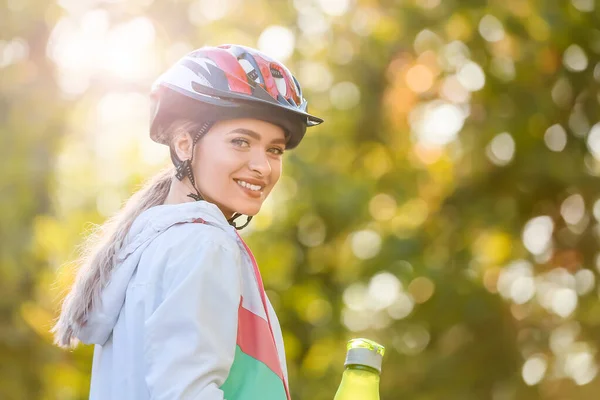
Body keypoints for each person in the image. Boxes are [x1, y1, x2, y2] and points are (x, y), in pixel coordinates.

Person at [51, 44, 323, 400]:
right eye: (241, 142)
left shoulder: (150, 244)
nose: (264, 166)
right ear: (183, 145)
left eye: (274, 149)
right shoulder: (204, 243)